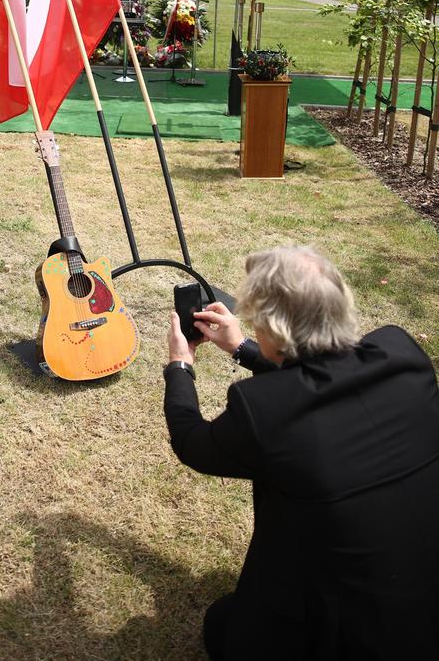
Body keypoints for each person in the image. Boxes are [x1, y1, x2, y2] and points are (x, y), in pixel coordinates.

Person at [164, 246, 439, 661]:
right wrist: (242, 348)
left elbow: (191, 442)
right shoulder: (400, 353)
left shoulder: (261, 412)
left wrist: (180, 366)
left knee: (222, 624)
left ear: (274, 328)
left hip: (352, 632)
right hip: (425, 592)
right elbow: (315, 389)